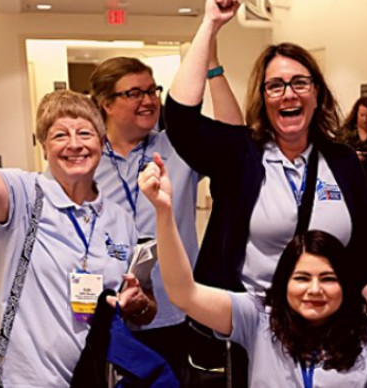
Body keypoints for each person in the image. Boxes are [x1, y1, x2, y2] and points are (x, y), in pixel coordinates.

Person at [138, 154, 367, 387]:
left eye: (328, 278)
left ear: (345, 285)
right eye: (302, 278)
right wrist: (164, 212)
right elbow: (183, 293)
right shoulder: (258, 320)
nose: (314, 289)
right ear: (284, 283)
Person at [0, 90, 154, 387]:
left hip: (93, 378)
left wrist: (138, 303)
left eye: (85, 133)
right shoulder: (24, 195)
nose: (74, 144)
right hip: (20, 381)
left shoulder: (120, 222)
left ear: (102, 141)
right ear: (43, 146)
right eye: (59, 136)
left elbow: (145, 304)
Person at [89, 52, 242, 380]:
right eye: (134, 93)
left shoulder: (176, 146)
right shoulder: (87, 159)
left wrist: (214, 68)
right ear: (105, 102)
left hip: (176, 310)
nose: (148, 101)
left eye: (151, 90)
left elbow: (233, 142)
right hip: (109, 308)